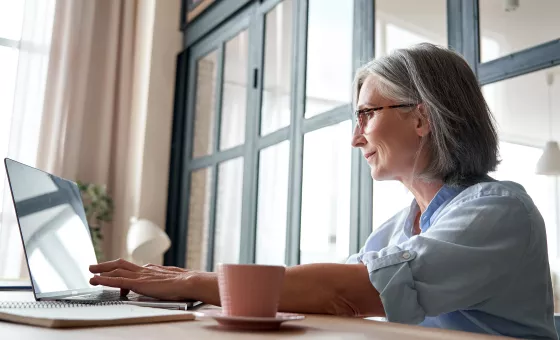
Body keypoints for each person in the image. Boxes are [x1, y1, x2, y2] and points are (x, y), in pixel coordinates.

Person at [89, 43, 557, 339]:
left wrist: (193, 283)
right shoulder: (399, 227)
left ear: (422, 117)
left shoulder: (500, 210)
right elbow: (328, 292)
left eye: (366, 115)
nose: (356, 138)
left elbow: (351, 289)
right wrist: (192, 287)